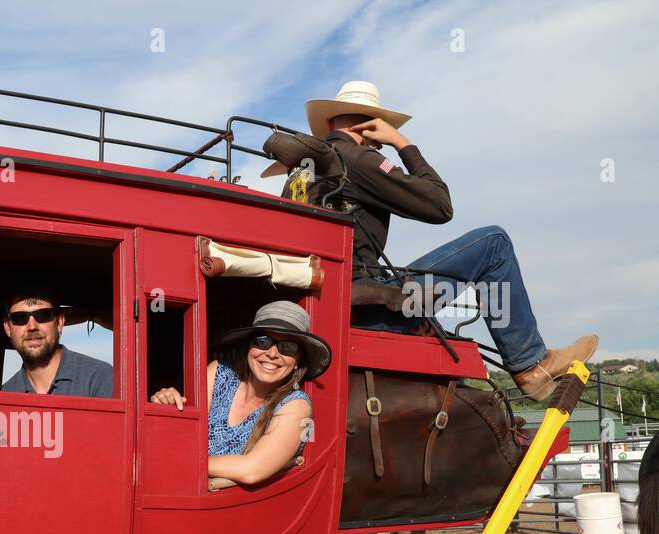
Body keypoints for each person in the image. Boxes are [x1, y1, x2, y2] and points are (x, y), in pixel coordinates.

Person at [274, 80, 596, 401]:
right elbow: (440, 205)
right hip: (370, 310)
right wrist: (403, 144)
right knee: (494, 243)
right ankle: (531, 365)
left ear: (330, 122)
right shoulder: (357, 159)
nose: (380, 146)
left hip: (326, 306)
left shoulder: (300, 174)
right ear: (369, 127)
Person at [151, 301, 331, 486]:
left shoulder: (296, 406)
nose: (271, 353)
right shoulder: (219, 372)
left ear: (298, 362)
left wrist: (183, 461)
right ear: (248, 348)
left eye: (287, 347)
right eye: (263, 341)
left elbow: (251, 470)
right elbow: (182, 437)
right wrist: (167, 407)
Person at [0, 290, 113, 397]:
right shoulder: (4, 395)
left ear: (59, 322)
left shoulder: (99, 378)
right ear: (8, 328)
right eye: (19, 318)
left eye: (43, 315)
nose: (32, 327)